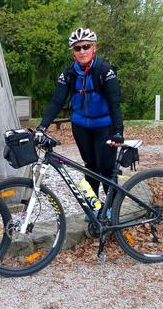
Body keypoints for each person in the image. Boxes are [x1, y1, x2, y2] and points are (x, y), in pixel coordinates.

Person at [37, 27, 124, 203]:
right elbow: (57, 101)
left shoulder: (104, 70)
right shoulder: (69, 73)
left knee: (106, 169)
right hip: (81, 126)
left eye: (86, 46)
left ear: (94, 48)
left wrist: (118, 131)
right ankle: (95, 207)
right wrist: (41, 127)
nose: (82, 51)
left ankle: (113, 210)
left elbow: (114, 103)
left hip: (104, 126)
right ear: (73, 53)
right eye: (78, 48)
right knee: (90, 168)